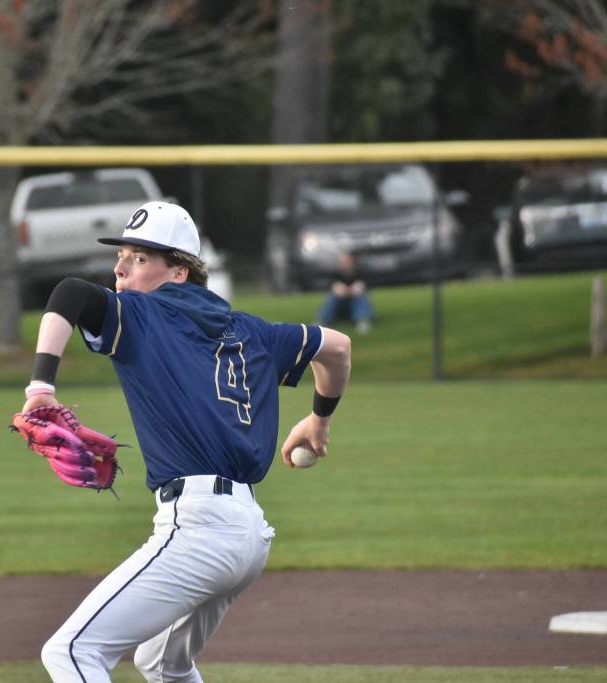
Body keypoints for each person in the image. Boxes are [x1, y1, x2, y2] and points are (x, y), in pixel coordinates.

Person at [21, 201, 351, 683]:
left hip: (197, 526)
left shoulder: (140, 314)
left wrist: (40, 388)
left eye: (138, 257)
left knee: (71, 652)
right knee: (162, 662)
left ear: (178, 270)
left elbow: (69, 293)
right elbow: (338, 346)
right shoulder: (255, 331)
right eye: (122, 255)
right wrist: (319, 421)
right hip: (248, 538)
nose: (120, 267)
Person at [315, 250, 374, 334]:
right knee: (332, 297)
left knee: (361, 297)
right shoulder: (334, 275)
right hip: (340, 305)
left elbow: (365, 285)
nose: (344, 263)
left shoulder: (361, 273)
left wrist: (357, 288)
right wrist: (339, 290)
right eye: (342, 261)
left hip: (355, 304)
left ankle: (362, 320)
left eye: (346, 261)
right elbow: (332, 287)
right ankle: (322, 320)